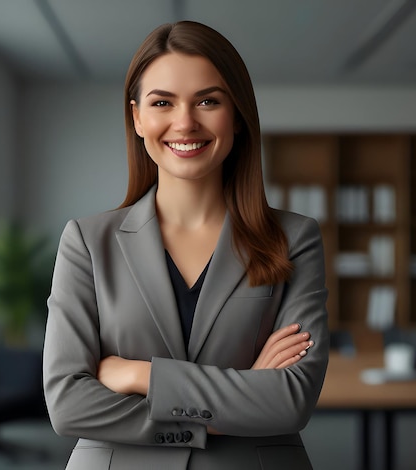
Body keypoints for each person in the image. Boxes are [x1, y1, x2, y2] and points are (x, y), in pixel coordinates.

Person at [43, 20, 329, 470]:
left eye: (208, 101)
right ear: (137, 117)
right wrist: (240, 393)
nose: (185, 122)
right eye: (162, 102)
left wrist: (139, 374)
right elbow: (68, 403)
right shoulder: (86, 241)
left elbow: (290, 401)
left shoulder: (294, 239)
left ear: (236, 114)